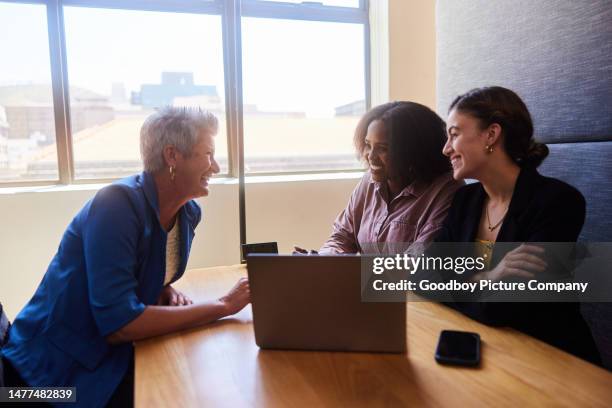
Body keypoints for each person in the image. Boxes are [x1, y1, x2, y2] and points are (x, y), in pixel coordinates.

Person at [0, 107, 251, 407]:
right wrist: (222, 306)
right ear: (172, 156)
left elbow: (140, 266)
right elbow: (120, 323)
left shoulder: (188, 213)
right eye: (208, 154)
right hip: (45, 378)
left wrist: (158, 284)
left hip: (106, 358)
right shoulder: (115, 205)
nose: (216, 167)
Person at [437, 86, 600, 363]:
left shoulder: (558, 202)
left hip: (550, 359)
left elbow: (502, 309)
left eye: (454, 134)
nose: (446, 149)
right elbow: (424, 279)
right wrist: (489, 277)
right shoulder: (464, 200)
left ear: (491, 134)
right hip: (485, 348)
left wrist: (458, 285)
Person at [296, 101, 463, 255]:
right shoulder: (369, 181)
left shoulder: (447, 191)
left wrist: (349, 273)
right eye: (368, 145)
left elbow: (417, 265)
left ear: (415, 151)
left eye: (383, 148)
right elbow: (341, 237)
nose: (371, 156)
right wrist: (320, 260)